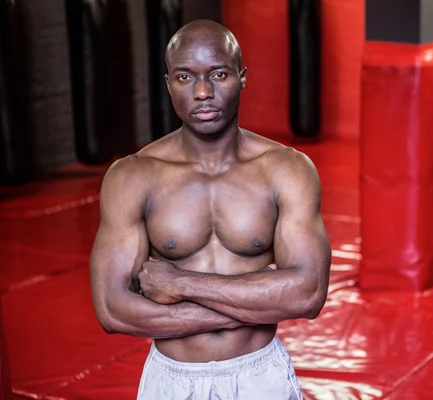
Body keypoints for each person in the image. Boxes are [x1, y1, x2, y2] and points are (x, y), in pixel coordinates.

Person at [89, 19, 331, 399]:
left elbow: (307, 294)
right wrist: (259, 302)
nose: (203, 92)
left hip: (259, 376)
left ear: (242, 77)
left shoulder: (288, 169)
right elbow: (112, 308)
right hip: (172, 379)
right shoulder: (132, 176)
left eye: (218, 74)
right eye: (185, 77)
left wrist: (180, 284)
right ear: (168, 83)